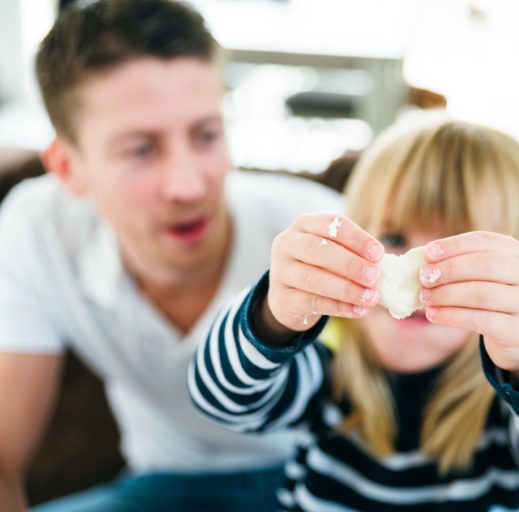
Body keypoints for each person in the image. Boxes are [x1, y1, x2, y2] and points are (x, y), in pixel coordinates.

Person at [189, 113, 519, 511]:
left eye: (457, 253)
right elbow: (219, 399)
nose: (422, 275)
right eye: (395, 238)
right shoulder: (327, 373)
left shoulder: (510, 410)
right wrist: (273, 315)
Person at [0, 1, 342, 511]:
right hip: (162, 484)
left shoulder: (324, 228)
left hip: (321, 479)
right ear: (69, 168)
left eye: (206, 135)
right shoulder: (35, 227)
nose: (188, 186)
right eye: (140, 149)